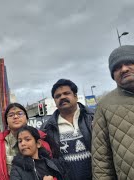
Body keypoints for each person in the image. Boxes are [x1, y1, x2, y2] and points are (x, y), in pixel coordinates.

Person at [92, 45, 134, 179]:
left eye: (129, 62)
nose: (124, 69)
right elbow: (101, 161)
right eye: (117, 67)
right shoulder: (105, 106)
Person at [41, 79, 93, 180]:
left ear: (75, 96)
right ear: (55, 101)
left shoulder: (94, 117)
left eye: (66, 93)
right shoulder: (47, 128)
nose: (62, 97)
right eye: (58, 96)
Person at [0, 103, 51, 180]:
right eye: (11, 115)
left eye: (20, 113)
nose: (15, 117)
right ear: (6, 122)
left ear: (27, 118)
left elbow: (51, 169)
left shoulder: (41, 140)